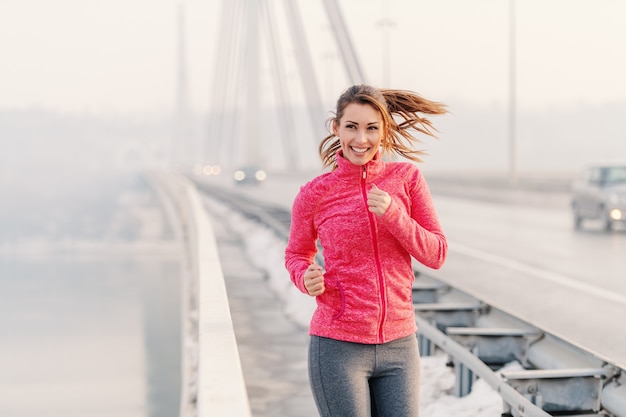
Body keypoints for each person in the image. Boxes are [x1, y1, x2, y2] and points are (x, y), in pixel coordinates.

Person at [284, 84, 448, 417]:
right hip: (337, 347)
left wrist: (394, 216)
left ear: (384, 130)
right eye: (352, 127)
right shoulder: (315, 194)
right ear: (336, 128)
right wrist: (305, 277)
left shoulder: (406, 179)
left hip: (400, 347)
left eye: (372, 128)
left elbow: (437, 253)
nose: (362, 139)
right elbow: (296, 255)